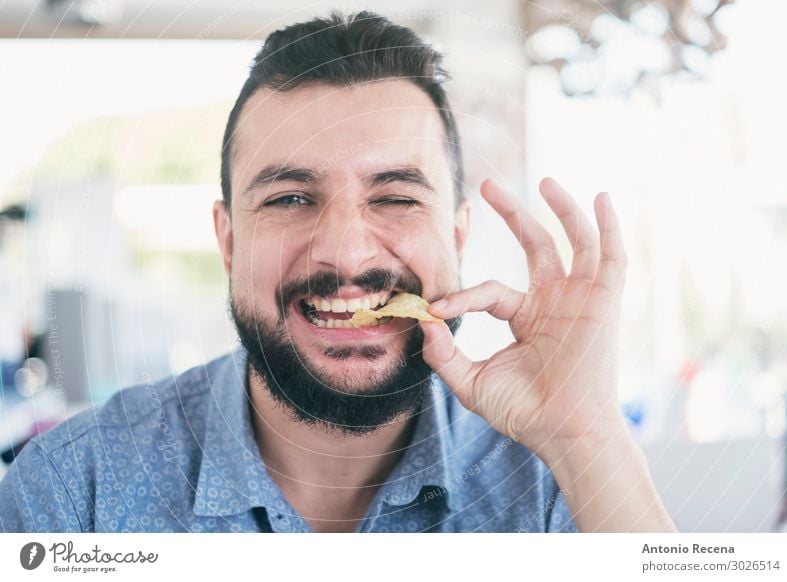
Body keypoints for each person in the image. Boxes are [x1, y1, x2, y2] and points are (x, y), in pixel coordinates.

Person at [0, 11, 675, 533]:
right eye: (291, 198)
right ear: (228, 240)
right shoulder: (72, 491)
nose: (348, 256)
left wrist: (587, 437)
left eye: (396, 196)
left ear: (458, 236)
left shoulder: (559, 480)